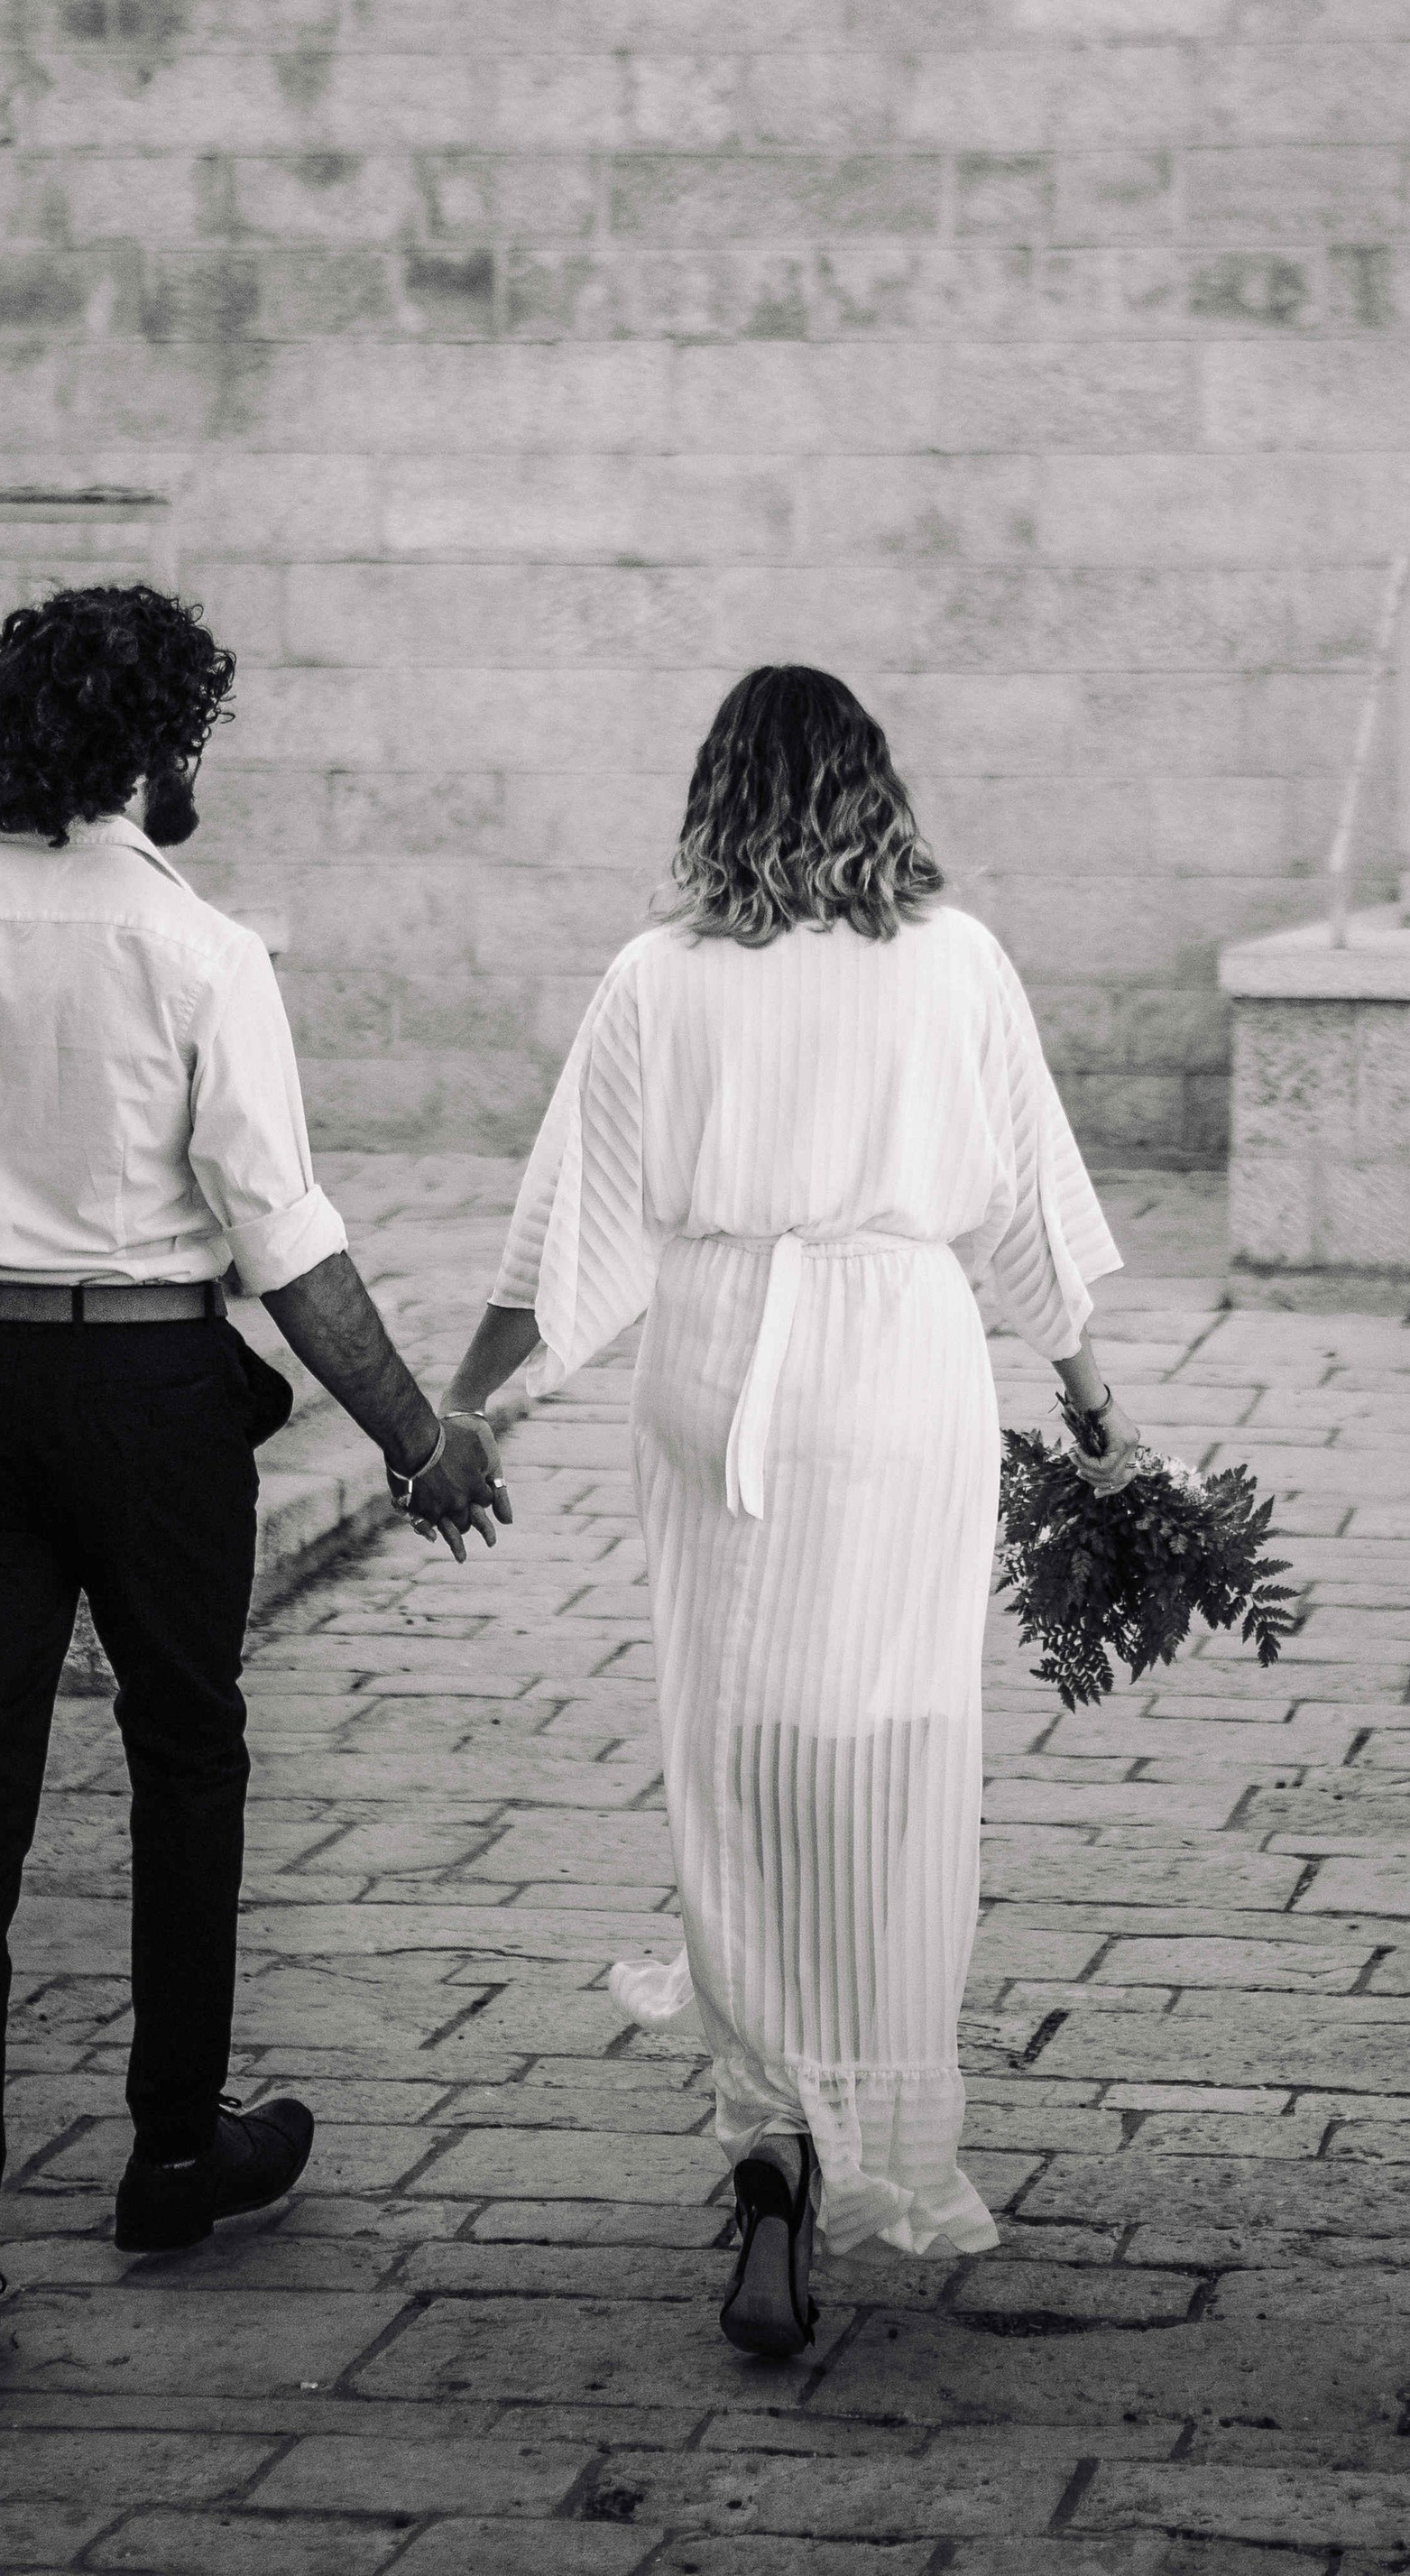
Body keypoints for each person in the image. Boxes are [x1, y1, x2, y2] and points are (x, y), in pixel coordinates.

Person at [0, 584, 509, 2404]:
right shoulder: (194, 947)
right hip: (146, 1386)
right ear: (152, 743)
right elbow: (285, 1241)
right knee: (186, 1744)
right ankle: (168, 2148)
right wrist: (417, 1439)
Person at [438, 662, 1142, 2356]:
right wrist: (1104, 1415)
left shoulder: (655, 977)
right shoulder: (956, 961)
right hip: (903, 1376)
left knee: (734, 1747)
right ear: (874, 793)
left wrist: (452, 1410)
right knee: (893, 1748)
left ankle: (767, 2154)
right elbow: (1035, 1223)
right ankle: (878, 2108)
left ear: (716, 795)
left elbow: (564, 1243)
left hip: (718, 1367)